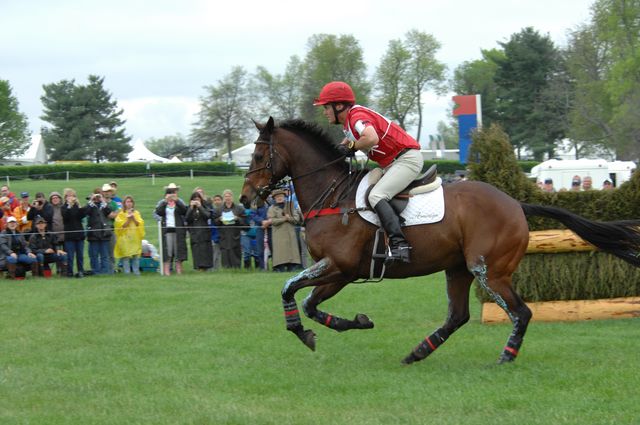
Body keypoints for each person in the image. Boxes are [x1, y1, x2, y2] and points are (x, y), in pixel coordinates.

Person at [314, 81, 422, 264]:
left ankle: (399, 245)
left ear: (339, 106)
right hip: (392, 164)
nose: (324, 112)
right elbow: (346, 144)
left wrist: (351, 146)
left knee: (376, 195)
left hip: (406, 160)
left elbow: (371, 138)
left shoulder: (357, 117)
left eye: (326, 107)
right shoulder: (349, 123)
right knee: (361, 188)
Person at [265, 189, 302, 272]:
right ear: (274, 198)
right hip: (278, 234)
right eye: (277, 197)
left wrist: (289, 218)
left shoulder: (290, 206)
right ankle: (280, 267)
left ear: (284, 197)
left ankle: (292, 267)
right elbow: (272, 221)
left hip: (290, 233)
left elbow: (296, 219)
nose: (279, 198)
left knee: (291, 251)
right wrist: (284, 219)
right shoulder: (272, 208)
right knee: (280, 252)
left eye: (281, 196)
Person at [155, 185, 188, 275]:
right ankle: (166, 270)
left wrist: (176, 200)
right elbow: (158, 212)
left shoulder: (179, 202)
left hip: (178, 229)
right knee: (168, 251)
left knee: (178, 250)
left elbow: (184, 211)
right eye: (169, 193)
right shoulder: (163, 203)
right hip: (167, 230)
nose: (171, 195)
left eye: (173, 193)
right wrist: (166, 201)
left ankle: (178, 270)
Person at [212, 189, 246, 269]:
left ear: (232, 197)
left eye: (229, 196)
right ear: (223, 198)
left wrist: (237, 218)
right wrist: (219, 219)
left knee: (235, 252)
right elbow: (215, 223)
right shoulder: (218, 210)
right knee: (225, 253)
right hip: (223, 236)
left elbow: (245, 222)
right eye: (226, 196)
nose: (227, 198)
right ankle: (226, 269)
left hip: (235, 235)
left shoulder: (239, 209)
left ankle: (236, 269)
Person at [114, 195, 145, 275]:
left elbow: (139, 223)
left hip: (135, 237)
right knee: (126, 256)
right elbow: (121, 226)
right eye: (127, 202)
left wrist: (133, 218)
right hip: (125, 238)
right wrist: (128, 219)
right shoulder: (121, 214)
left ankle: (136, 272)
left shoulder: (136, 213)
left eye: (131, 201)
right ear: (124, 203)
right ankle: (127, 273)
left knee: (135, 256)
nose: (129, 203)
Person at [61, 188, 87, 278]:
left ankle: (80, 271)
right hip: (69, 235)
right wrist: (69, 205)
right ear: (65, 197)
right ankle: (70, 272)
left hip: (79, 234)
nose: (71, 197)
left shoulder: (77, 206)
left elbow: (82, 216)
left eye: (73, 195)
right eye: (69, 196)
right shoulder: (64, 207)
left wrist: (79, 206)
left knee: (80, 255)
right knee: (70, 256)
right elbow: (66, 217)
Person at [185, 191, 213, 271]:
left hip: (204, 234)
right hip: (195, 234)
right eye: (194, 199)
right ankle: (198, 268)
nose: (196, 201)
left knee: (205, 252)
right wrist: (191, 207)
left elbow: (207, 216)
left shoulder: (205, 206)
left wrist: (200, 207)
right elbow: (187, 218)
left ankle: (205, 268)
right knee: (196, 251)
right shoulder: (190, 208)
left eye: (198, 199)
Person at [210, 194, 223, 270]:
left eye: (218, 200)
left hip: (224, 236)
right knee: (215, 253)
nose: (217, 201)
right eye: (215, 200)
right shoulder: (212, 212)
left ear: (222, 201)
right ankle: (215, 269)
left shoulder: (225, 210)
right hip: (215, 236)